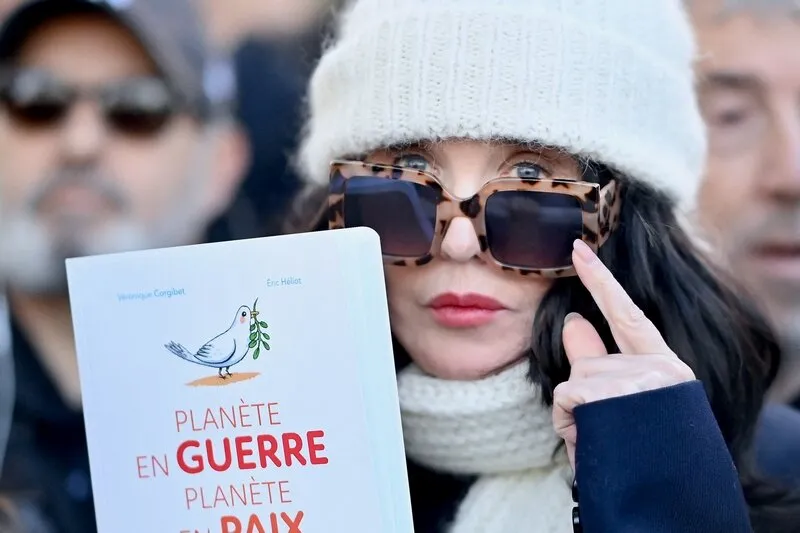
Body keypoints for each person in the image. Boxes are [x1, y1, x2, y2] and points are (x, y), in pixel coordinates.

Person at [287, 0, 800, 531]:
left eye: (530, 179)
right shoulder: (265, 469)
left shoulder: (782, 473)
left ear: (624, 222)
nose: (459, 243)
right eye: (410, 171)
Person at [0, 1, 249, 532]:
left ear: (221, 166)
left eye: (137, 108)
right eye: (35, 100)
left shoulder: (298, 399)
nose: (80, 143)